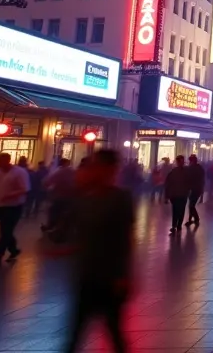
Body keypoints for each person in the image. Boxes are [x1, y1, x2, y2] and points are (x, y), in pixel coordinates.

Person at [63, 150, 134, 353]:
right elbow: (69, 230)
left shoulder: (120, 198)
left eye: (97, 165)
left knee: (112, 330)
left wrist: (122, 274)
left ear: (110, 169)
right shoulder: (83, 196)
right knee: (76, 333)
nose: (92, 169)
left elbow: (124, 238)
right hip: (85, 274)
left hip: (109, 277)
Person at [165, 156, 191, 234]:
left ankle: (175, 225)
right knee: (180, 210)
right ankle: (177, 225)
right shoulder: (185, 172)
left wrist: (167, 196)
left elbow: (168, 184)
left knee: (176, 210)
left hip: (176, 194)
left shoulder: (173, 172)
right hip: (180, 194)